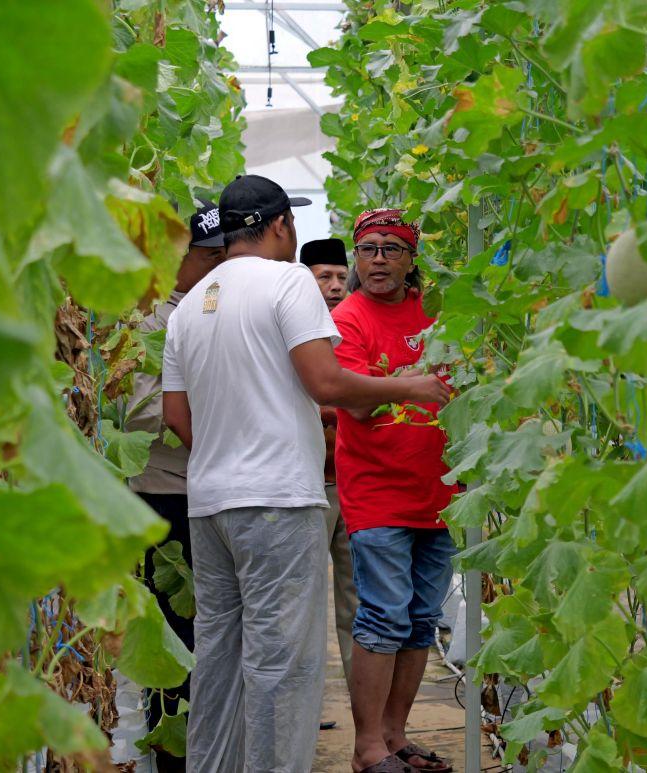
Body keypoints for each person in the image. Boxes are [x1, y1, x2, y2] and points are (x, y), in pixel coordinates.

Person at [162, 176, 451, 773]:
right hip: (275, 500)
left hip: (210, 501)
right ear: (279, 226)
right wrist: (412, 385)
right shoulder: (287, 280)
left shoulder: (191, 303)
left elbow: (175, 414)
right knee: (282, 664)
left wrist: (222, 450)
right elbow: (326, 383)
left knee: (219, 655)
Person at [333, 209, 457, 773]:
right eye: (368, 249)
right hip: (377, 492)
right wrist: (418, 384)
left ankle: (395, 736)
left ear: (411, 259)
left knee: (422, 619)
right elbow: (352, 400)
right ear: (356, 258)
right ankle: (366, 749)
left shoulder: (436, 314)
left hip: (441, 492)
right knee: (383, 616)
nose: (378, 259)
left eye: (391, 248)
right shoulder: (346, 318)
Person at [126, 202, 225, 773]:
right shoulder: (150, 318)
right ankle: (172, 751)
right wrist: (212, 424)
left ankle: (200, 746)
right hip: (164, 490)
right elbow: (139, 417)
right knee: (174, 629)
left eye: (221, 257)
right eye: (207, 257)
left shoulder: (207, 306)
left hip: (207, 487)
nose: (215, 268)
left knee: (206, 628)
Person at [300, 237, 359, 699]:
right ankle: (305, 706)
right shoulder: (295, 326)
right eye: (325, 277)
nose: (336, 286)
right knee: (302, 604)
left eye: (341, 277)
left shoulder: (354, 327)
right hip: (308, 486)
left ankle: (367, 711)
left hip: (352, 485)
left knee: (357, 606)